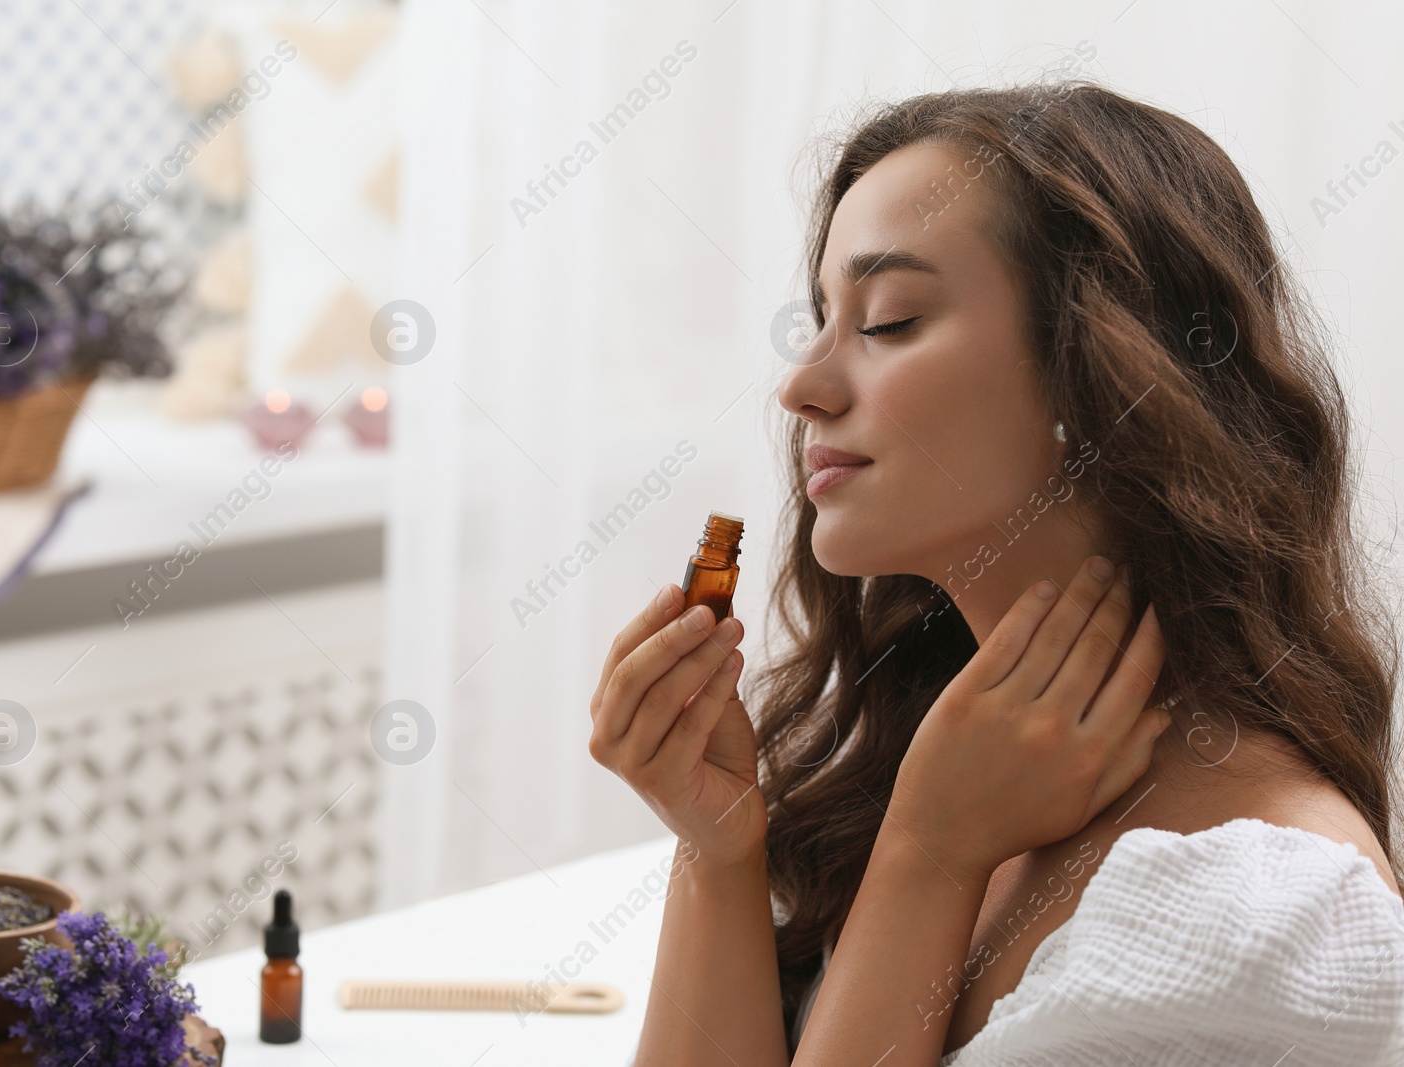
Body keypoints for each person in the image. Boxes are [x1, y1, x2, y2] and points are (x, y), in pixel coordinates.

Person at [589, 79, 1404, 1065]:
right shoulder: (929, 763)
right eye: (820, 317)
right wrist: (717, 853)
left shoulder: (1251, 917)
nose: (801, 385)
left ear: (1101, 370)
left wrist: (927, 861)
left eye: (887, 320)